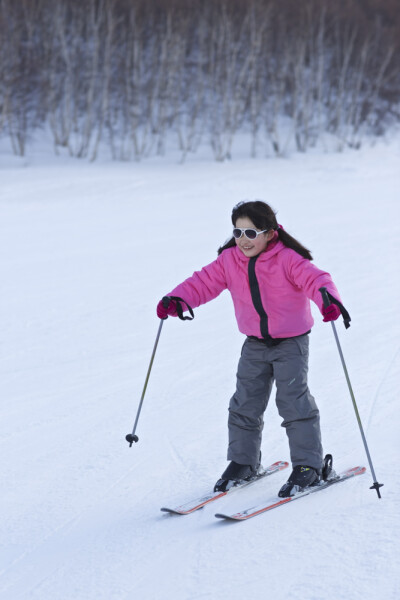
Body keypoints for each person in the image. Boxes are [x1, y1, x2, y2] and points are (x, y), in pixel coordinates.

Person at [156, 200, 345, 497]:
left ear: (269, 233)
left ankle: (309, 465)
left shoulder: (288, 259)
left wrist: (328, 300)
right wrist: (178, 299)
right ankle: (243, 461)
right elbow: (201, 283)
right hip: (254, 344)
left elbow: (316, 279)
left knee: (293, 401)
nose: (243, 240)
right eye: (238, 232)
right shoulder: (229, 260)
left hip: (291, 343)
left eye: (251, 233)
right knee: (244, 403)